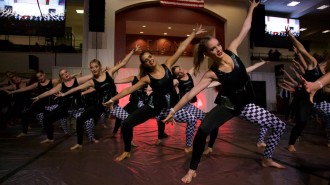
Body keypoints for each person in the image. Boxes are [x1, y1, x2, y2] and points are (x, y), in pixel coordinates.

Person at [162, 1, 286, 183]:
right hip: (227, 106)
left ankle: (267, 159)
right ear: (207, 54)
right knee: (203, 129)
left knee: (279, 126)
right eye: (213, 49)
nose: (218, 49)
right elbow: (189, 95)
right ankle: (192, 169)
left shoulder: (232, 51)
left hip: (245, 105)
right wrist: (173, 111)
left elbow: (246, 27)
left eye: (218, 45)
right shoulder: (212, 73)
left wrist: (251, 7)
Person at [103, 25, 207, 161]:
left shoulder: (168, 66)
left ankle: (188, 146)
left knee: (192, 119)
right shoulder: (147, 78)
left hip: (170, 108)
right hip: (154, 107)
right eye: (146, 60)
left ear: (153, 56)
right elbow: (129, 89)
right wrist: (112, 99)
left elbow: (181, 49)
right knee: (127, 123)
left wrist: (193, 33)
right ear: (144, 65)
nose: (149, 60)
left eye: (150, 57)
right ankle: (127, 151)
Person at [56, 45, 140, 150]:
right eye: (91, 67)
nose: (94, 69)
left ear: (99, 66)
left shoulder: (109, 73)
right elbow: (77, 88)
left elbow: (123, 63)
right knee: (81, 119)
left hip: (111, 105)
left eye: (95, 66)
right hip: (99, 105)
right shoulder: (92, 81)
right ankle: (79, 143)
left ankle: (130, 140)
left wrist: (132, 51)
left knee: (128, 119)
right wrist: (64, 94)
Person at [285, 26, 330, 151]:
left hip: (318, 99)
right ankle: (291, 143)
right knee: (302, 122)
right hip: (304, 98)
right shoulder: (313, 63)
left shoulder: (327, 73)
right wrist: (291, 36)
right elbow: (302, 49)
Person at [32, 69, 93, 144]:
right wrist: (39, 97)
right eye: (62, 74)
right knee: (46, 119)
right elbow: (49, 92)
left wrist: (104, 70)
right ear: (61, 77)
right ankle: (50, 138)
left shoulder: (77, 80)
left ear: (69, 72)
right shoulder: (61, 85)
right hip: (65, 109)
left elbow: (91, 75)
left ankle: (91, 137)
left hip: (77, 108)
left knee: (89, 120)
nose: (65, 74)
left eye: (66, 72)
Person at [6, 70, 68, 137]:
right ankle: (24, 132)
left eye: (41, 76)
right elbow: (25, 88)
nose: (40, 78)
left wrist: (73, 75)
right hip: (41, 104)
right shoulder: (37, 84)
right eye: (38, 77)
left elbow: (63, 79)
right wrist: (13, 92)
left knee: (62, 115)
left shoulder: (52, 81)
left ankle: (66, 132)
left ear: (44, 74)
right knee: (25, 114)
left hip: (52, 104)